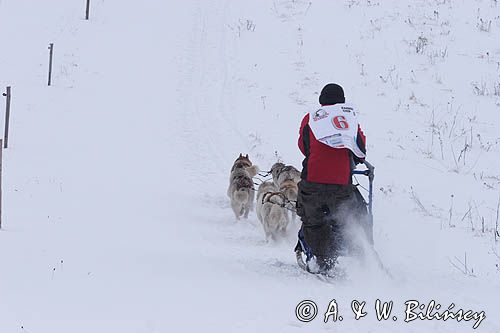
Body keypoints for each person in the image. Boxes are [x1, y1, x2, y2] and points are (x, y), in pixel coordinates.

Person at [295, 83, 371, 274]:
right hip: (341, 185)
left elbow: (303, 147)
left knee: (313, 220)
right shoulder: (350, 119)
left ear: (321, 100)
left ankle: (323, 258)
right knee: (351, 216)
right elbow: (361, 152)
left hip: (313, 182)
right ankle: (361, 255)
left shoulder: (311, 118)